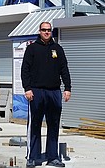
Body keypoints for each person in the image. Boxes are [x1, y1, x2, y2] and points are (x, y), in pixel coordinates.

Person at [21, 21, 72, 167]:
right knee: (35, 125)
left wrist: (67, 88)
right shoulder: (32, 49)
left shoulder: (58, 49)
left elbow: (64, 69)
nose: (46, 32)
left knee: (54, 125)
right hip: (36, 92)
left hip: (54, 92)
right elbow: (25, 70)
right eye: (44, 30)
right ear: (39, 31)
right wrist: (27, 89)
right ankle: (32, 157)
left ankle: (53, 157)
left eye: (49, 30)